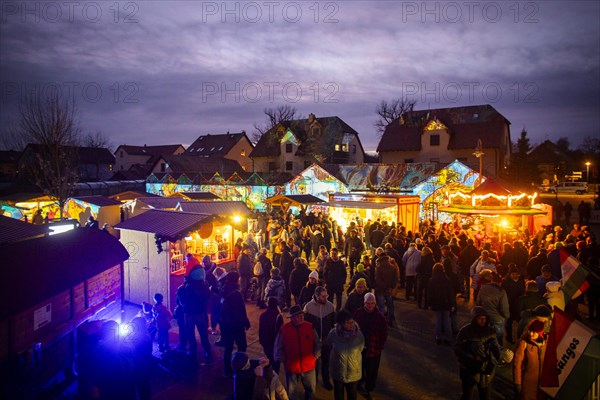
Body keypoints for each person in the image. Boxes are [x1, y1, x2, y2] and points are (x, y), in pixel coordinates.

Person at [274, 305, 321, 400]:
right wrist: (284, 359)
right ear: (292, 318)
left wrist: (316, 355)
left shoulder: (310, 327)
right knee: (292, 392)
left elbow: (317, 343)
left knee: (310, 390)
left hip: (309, 366)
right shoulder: (284, 330)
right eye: (298, 315)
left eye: (302, 314)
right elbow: (279, 347)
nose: (301, 317)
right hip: (292, 367)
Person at [454, 307, 501, 400]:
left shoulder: (491, 331)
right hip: (469, 370)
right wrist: (472, 354)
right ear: (474, 318)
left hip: (486, 371)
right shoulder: (465, 331)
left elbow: (496, 348)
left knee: (485, 396)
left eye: (485, 318)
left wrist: (500, 356)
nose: (483, 321)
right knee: (467, 395)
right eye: (480, 318)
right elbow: (458, 349)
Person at [353, 292, 388, 399]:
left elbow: (384, 333)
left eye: (372, 303)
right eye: (368, 303)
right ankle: (358, 384)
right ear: (364, 303)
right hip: (360, 348)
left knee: (372, 369)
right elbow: (353, 328)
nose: (370, 305)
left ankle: (369, 387)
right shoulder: (358, 313)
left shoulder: (380, 317)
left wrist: (380, 345)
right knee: (359, 367)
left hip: (374, 348)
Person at [326, 309, 365, 400]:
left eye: (352, 321)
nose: (351, 324)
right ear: (341, 323)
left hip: (353, 372)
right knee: (338, 395)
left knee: (352, 394)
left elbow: (361, 348)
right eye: (348, 323)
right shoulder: (333, 334)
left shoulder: (358, 335)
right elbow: (329, 345)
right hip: (338, 372)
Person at [303, 286, 335, 391]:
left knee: (326, 362)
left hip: (326, 340)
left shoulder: (330, 306)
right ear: (317, 296)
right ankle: (314, 381)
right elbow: (306, 326)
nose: (326, 298)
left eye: (326, 296)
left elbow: (333, 323)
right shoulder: (308, 307)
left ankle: (326, 380)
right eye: (323, 296)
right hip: (314, 342)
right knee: (314, 364)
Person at [179, 266, 212, 363]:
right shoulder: (204, 284)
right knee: (203, 333)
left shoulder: (186, 286)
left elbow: (182, 301)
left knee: (190, 333)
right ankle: (207, 351)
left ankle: (192, 351)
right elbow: (208, 297)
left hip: (189, 313)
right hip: (200, 313)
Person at [221, 271, 251, 378]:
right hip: (236, 324)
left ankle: (227, 370)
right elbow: (241, 310)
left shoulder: (225, 289)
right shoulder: (236, 294)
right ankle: (240, 365)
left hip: (226, 323)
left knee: (228, 347)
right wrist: (245, 322)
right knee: (242, 346)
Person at [513, 319, 547, 400]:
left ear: (540, 333)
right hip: (527, 385)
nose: (531, 334)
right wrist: (517, 383)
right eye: (530, 331)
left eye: (534, 332)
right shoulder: (524, 343)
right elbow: (517, 364)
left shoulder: (546, 343)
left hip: (541, 386)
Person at [476, 270, 509, 345]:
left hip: (484, 316)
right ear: (500, 282)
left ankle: (486, 350)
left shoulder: (483, 287)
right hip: (497, 318)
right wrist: (506, 315)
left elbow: (478, 302)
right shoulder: (501, 291)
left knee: (485, 335)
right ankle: (498, 350)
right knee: (498, 336)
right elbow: (504, 307)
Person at [426, 263, 455, 345]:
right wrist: (452, 303)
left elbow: (430, 293)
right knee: (446, 321)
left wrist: (429, 304)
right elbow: (450, 292)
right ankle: (448, 338)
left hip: (437, 303)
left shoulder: (431, 280)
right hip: (446, 303)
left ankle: (438, 337)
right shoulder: (447, 279)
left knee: (438, 320)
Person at [374, 249, 399, 327]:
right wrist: (391, 287)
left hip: (380, 290)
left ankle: (382, 321)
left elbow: (377, 279)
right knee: (390, 305)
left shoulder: (378, 267)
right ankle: (390, 320)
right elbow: (396, 278)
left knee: (381, 306)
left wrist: (384, 286)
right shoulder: (392, 267)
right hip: (389, 289)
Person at [259, 297, 284, 374]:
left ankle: (268, 378)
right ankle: (274, 379)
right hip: (275, 344)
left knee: (268, 361)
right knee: (275, 363)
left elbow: (260, 331)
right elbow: (281, 331)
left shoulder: (263, 315)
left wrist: (262, 341)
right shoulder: (278, 317)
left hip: (266, 343)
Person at [501, 264, 525, 343]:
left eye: (516, 274)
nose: (515, 276)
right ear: (510, 274)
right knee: (509, 322)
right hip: (509, 304)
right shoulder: (505, 282)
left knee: (520, 322)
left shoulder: (521, 281)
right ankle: (509, 337)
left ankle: (520, 338)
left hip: (519, 305)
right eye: (513, 274)